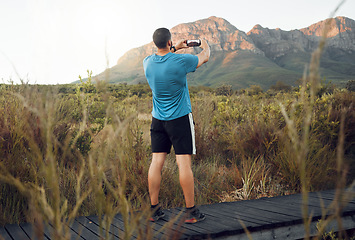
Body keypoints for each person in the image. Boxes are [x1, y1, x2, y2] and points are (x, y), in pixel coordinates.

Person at [143, 28, 210, 224]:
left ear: (155, 43)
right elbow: (204, 57)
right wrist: (204, 43)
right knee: (184, 164)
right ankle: (191, 212)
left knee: (156, 163)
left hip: (158, 120)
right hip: (179, 119)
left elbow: (163, 61)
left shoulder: (147, 62)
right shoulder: (182, 61)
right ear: (169, 41)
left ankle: (153, 210)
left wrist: (174, 49)